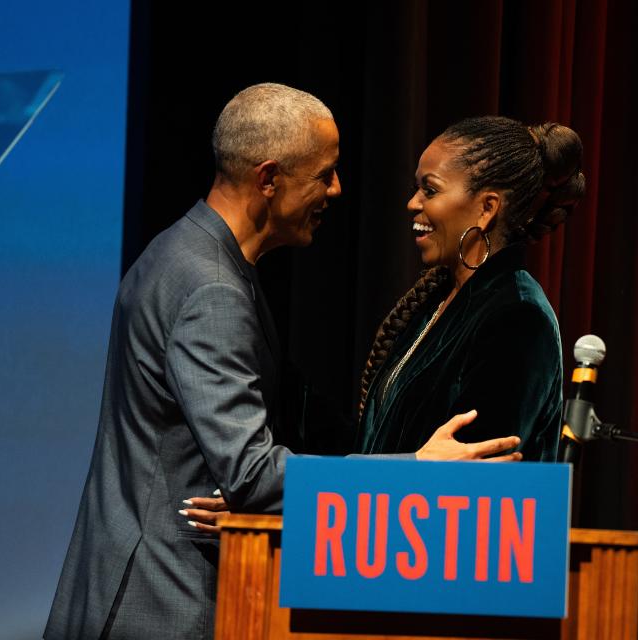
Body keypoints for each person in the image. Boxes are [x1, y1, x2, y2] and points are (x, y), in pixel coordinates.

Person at [44, 84, 521, 640]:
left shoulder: (183, 251)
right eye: (325, 174)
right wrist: (416, 469)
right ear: (268, 180)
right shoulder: (213, 289)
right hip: (160, 603)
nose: (337, 190)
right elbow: (251, 474)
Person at [356, 116, 585, 461]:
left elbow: (473, 481)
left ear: (486, 208)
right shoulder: (440, 298)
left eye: (430, 190)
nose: (413, 203)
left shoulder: (518, 318)